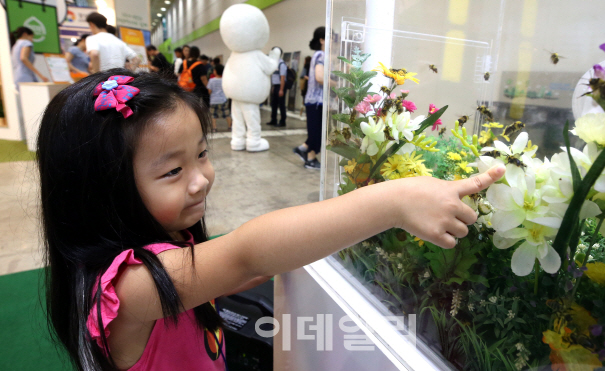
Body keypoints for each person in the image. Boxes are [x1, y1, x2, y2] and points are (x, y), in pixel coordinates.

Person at [37, 69, 504, 370]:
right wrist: (396, 200)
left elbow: (247, 265)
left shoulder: (168, 248)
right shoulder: (127, 288)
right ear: (100, 191)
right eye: (173, 171)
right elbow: (245, 255)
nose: (200, 180)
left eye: (202, 154)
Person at [294, 27, 325, 169]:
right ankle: (311, 159)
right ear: (322, 40)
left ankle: (302, 148)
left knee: (315, 129)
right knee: (317, 131)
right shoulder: (321, 55)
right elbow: (319, 77)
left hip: (314, 100)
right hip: (317, 101)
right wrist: (337, 83)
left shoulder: (317, 54)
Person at [266, 47, 287, 127]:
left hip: (280, 86)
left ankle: (282, 121)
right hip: (275, 86)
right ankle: (273, 120)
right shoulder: (274, 63)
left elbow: (282, 77)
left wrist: (281, 89)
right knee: (273, 104)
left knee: (281, 104)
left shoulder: (281, 64)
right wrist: (273, 87)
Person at [208, 64, 231, 131]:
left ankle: (214, 128)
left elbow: (209, 91)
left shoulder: (211, 80)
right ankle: (230, 127)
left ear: (215, 71)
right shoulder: (225, 80)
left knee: (213, 115)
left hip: (214, 100)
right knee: (227, 114)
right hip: (223, 100)